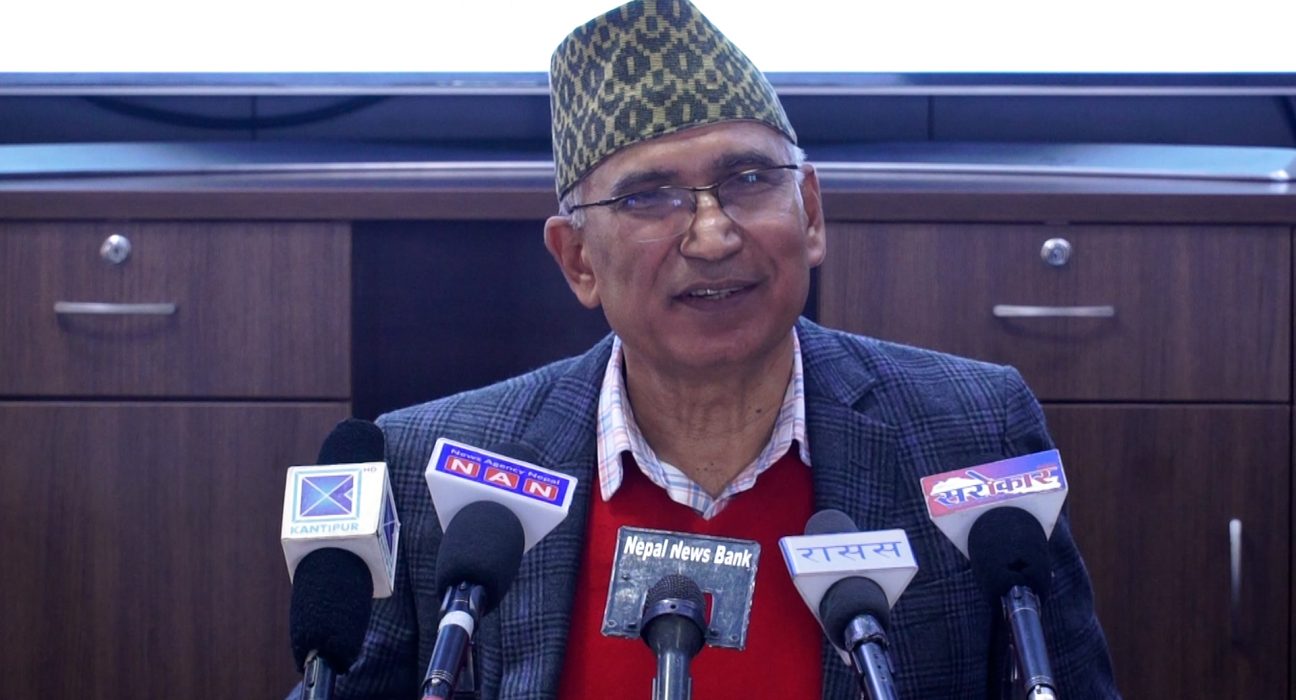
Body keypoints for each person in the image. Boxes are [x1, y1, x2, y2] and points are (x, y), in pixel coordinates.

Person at [305, 1, 1118, 697]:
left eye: (749, 181)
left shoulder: (971, 432)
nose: (713, 234)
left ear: (810, 213)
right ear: (578, 259)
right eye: (649, 197)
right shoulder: (429, 472)